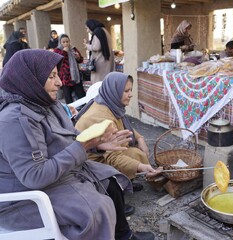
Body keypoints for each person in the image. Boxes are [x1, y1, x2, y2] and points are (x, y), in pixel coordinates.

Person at [0, 49, 155, 240]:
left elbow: (71, 135)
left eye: (57, 75)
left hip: (59, 176)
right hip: (27, 197)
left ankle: (123, 235)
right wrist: (83, 147)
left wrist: (98, 143)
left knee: (112, 180)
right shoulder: (15, 120)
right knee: (97, 209)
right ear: (29, 79)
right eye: (51, 76)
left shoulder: (46, 104)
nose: (60, 82)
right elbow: (34, 175)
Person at [75, 72, 160, 190]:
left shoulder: (109, 104)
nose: (130, 95)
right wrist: (142, 167)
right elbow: (113, 157)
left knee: (134, 151)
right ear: (113, 91)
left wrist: (140, 138)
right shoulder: (102, 118)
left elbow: (123, 126)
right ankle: (116, 190)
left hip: (100, 154)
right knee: (134, 154)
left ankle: (126, 181)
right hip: (89, 164)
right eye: (126, 91)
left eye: (131, 90)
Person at [54, 34, 86, 104]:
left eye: (67, 41)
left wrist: (78, 57)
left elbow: (81, 60)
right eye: (63, 42)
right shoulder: (57, 50)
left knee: (81, 95)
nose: (66, 43)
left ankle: (85, 109)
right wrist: (64, 52)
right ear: (60, 42)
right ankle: (71, 112)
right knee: (68, 97)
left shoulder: (73, 49)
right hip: (65, 77)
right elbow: (57, 60)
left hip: (76, 76)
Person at [84, 19, 114, 84]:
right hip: (106, 60)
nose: (87, 31)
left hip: (100, 62)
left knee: (97, 83)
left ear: (91, 26)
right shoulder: (104, 30)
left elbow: (97, 47)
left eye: (87, 28)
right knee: (105, 82)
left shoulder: (97, 31)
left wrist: (87, 46)